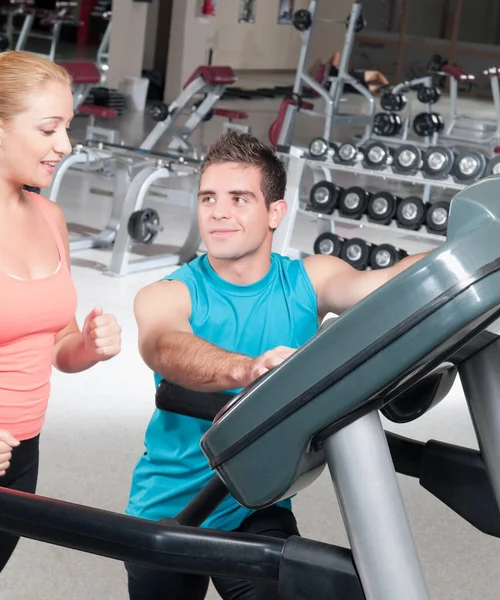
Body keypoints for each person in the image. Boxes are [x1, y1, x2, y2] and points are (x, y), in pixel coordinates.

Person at [125, 131, 427, 599]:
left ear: (274, 213)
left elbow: (389, 284)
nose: (219, 212)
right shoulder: (168, 292)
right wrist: (247, 371)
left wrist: (478, 249)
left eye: (239, 198)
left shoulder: (310, 278)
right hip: (168, 506)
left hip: (254, 503)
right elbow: (165, 345)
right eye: (208, 198)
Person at [0, 50, 122, 600]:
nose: (66, 144)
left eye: (69, 127)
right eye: (49, 128)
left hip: (19, 457)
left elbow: (54, 341)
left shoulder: (50, 217)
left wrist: (87, 345)